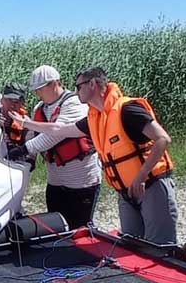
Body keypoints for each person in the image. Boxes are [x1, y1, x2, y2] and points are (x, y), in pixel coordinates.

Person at [11, 67, 177, 244]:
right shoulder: (94, 118)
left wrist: (141, 177)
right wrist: (25, 123)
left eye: (79, 86)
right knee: (131, 245)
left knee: (159, 247)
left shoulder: (127, 110)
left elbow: (163, 139)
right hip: (125, 191)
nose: (75, 91)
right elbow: (59, 129)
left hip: (149, 185)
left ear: (92, 84)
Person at [8, 65, 101, 229]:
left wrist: (25, 149)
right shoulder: (39, 108)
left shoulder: (74, 103)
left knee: (80, 229)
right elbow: (32, 132)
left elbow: (56, 134)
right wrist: (28, 160)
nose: (37, 94)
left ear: (54, 84)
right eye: (35, 90)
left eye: (40, 89)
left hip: (82, 180)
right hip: (55, 181)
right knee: (57, 225)